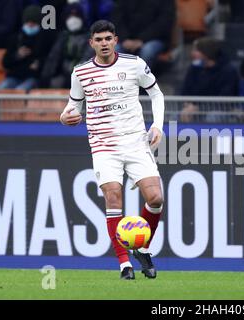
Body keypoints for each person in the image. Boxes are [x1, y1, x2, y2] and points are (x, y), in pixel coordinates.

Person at [59, 20, 165, 280]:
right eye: (99, 39)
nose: (104, 43)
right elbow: (72, 107)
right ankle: (123, 265)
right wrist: (65, 117)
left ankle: (141, 247)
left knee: (156, 199)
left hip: (135, 142)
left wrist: (158, 126)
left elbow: (156, 93)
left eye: (108, 38)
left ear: (115, 40)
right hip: (104, 145)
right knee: (113, 197)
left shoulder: (135, 63)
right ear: (91, 43)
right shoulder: (80, 73)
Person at [180, 37, 239, 122]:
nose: (192, 53)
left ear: (206, 52)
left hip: (220, 110)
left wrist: (198, 107)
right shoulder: (194, 68)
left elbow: (225, 99)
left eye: (196, 50)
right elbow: (185, 91)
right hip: (194, 109)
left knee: (213, 116)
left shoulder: (228, 70)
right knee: (176, 115)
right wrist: (188, 104)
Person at [0, 5, 53, 91]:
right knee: (0, 89)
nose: (30, 25)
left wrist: (39, 63)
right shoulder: (15, 38)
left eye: (33, 22)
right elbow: (5, 63)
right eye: (28, 22)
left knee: (21, 90)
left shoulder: (45, 39)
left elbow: (49, 61)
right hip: (14, 77)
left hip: (32, 78)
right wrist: (17, 55)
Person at [40, 3, 94, 88]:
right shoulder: (63, 37)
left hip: (82, 78)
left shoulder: (90, 37)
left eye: (76, 15)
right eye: (70, 16)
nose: (73, 19)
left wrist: (74, 75)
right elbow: (53, 58)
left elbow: (87, 58)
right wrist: (46, 76)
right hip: (63, 76)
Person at [111, 0, 176, 69]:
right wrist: (124, 39)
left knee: (147, 51)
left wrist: (141, 39)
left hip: (155, 38)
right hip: (126, 40)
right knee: (113, 50)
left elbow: (164, 22)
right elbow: (116, 19)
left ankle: (143, 78)